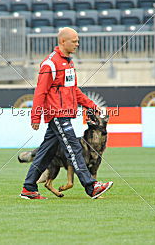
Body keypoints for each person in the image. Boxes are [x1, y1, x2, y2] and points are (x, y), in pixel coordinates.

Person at [20, 27, 113, 199]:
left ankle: (29, 188)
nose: (78, 44)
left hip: (65, 114)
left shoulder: (68, 62)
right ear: (63, 41)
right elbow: (40, 92)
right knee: (74, 148)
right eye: (74, 41)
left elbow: (74, 91)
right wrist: (35, 116)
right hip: (57, 115)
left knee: (46, 152)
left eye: (78, 41)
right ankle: (91, 187)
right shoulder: (50, 64)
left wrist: (90, 105)